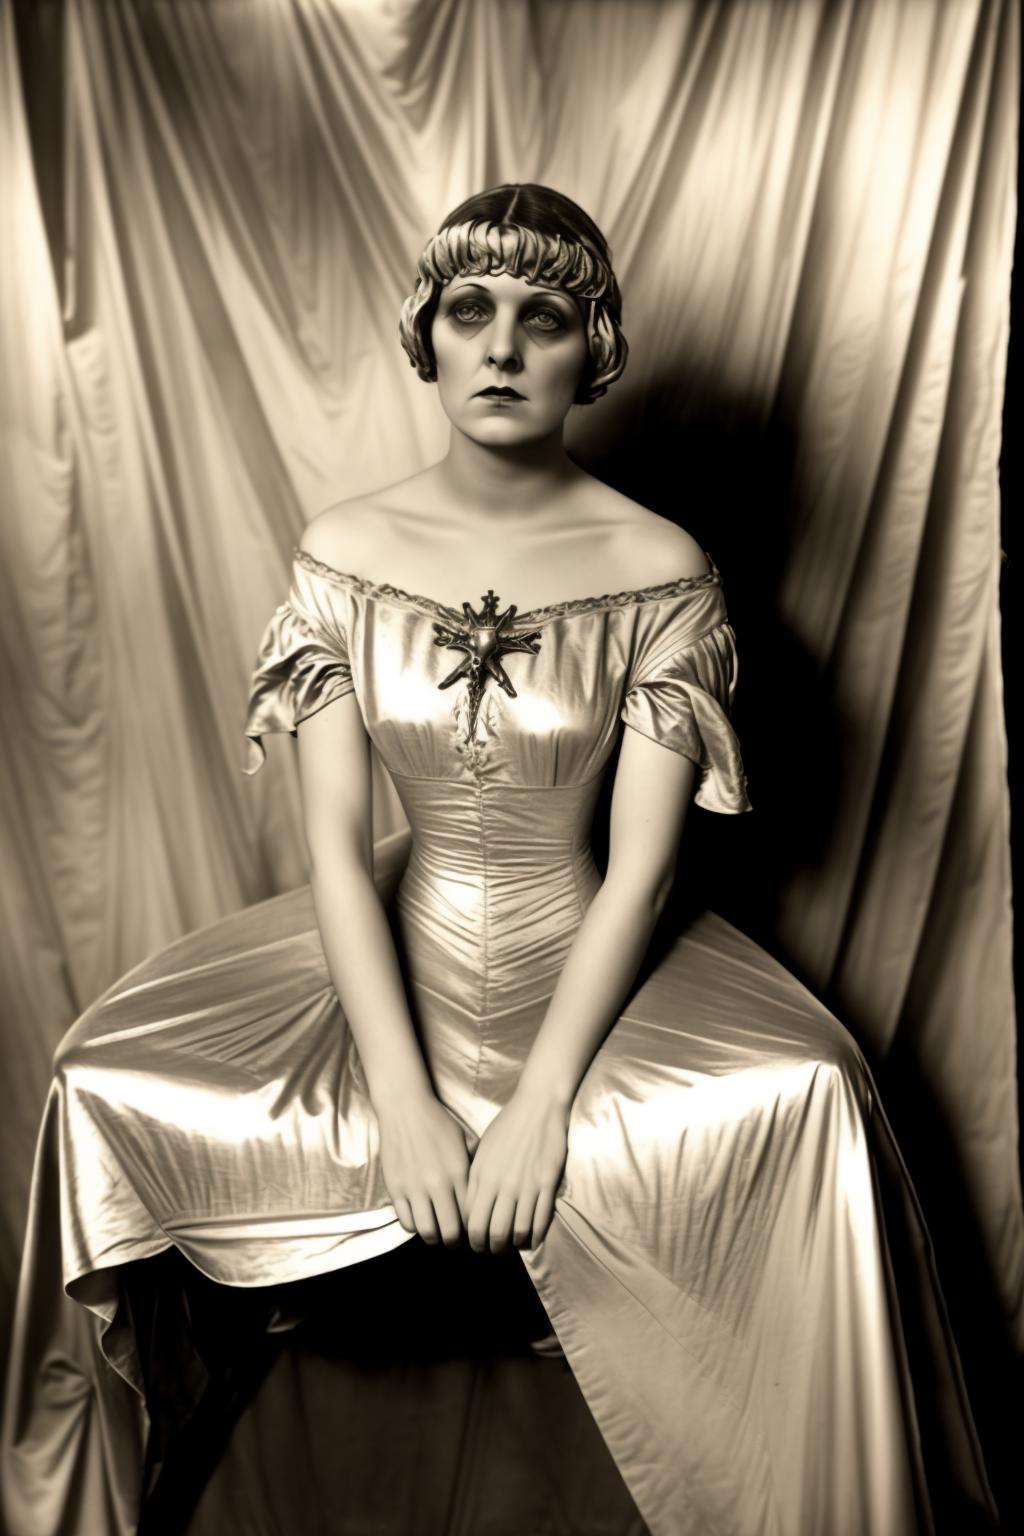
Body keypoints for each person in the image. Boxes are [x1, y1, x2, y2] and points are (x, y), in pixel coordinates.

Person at [1, 183, 1000, 1536]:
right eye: (471, 310)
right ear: (428, 336)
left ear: (595, 349)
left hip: (586, 948)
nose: (504, 346)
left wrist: (537, 1109)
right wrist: (406, 1103)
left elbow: (644, 873)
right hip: (385, 949)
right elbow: (340, 857)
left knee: (819, 1095)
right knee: (98, 1074)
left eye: (546, 315)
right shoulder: (343, 555)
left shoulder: (661, 566)